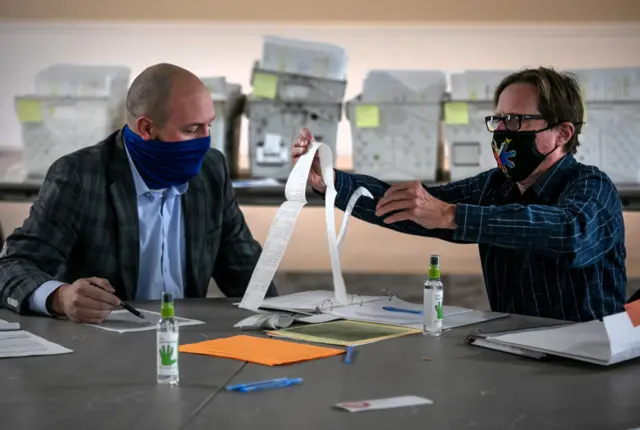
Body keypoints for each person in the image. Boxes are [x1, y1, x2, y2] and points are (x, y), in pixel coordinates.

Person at [293, 66, 626, 322]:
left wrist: (452, 215)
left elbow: (569, 232)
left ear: (562, 133)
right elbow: (416, 205)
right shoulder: (494, 187)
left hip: (590, 358)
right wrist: (330, 182)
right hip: (515, 349)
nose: (502, 132)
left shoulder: (593, 188)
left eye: (516, 121)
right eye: (498, 120)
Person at [0, 63, 277, 323]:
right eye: (191, 130)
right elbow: (10, 268)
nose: (205, 141)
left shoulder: (211, 170)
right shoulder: (80, 176)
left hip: (188, 343)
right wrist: (59, 297)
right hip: (99, 348)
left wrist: (285, 321)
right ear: (146, 128)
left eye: (209, 126)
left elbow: (246, 270)